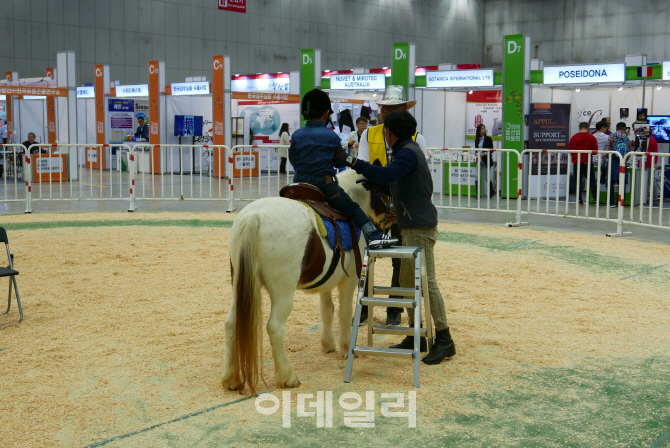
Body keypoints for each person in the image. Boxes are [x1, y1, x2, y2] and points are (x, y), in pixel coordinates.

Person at [334, 110, 455, 365]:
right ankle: (415, 333)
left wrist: (351, 161)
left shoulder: (408, 152)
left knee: (427, 282)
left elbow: (389, 174)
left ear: (390, 133)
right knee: (409, 281)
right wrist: (379, 185)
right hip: (412, 224)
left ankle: (444, 337)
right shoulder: (407, 151)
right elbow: (397, 183)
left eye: (384, 130)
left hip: (419, 226)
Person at [289, 88, 398, 250]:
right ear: (326, 114)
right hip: (324, 187)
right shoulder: (331, 136)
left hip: (298, 184)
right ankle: (373, 235)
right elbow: (339, 162)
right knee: (353, 208)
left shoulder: (297, 135)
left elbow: (293, 158)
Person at [356, 86, 425, 326]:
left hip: (400, 204)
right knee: (366, 256)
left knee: (400, 259)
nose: (387, 112)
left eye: (393, 108)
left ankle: (394, 308)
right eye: (385, 108)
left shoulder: (417, 138)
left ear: (403, 110)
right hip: (373, 202)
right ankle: (363, 305)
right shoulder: (369, 134)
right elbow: (364, 165)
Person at [568, 122, 599, 205]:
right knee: (592, 181)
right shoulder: (591, 137)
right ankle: (596, 199)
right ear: (588, 127)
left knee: (577, 182)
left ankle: (579, 200)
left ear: (579, 128)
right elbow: (595, 151)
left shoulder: (573, 138)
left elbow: (569, 150)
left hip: (577, 163)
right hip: (587, 162)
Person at [604, 122, 633, 207]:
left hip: (613, 162)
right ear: (625, 129)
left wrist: (603, 161)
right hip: (623, 162)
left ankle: (611, 202)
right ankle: (620, 202)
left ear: (616, 128)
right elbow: (629, 152)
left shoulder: (612, 136)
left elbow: (606, 149)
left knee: (610, 182)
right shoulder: (627, 139)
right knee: (622, 183)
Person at [635, 128, 660, 206]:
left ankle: (655, 198)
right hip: (641, 163)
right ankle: (643, 198)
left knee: (651, 181)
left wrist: (655, 162)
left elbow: (655, 152)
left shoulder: (652, 140)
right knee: (643, 181)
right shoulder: (639, 139)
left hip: (649, 163)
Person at [474, 123, 496, 197]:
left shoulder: (489, 139)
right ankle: (477, 194)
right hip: (479, 159)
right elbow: (476, 150)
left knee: (487, 177)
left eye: (484, 129)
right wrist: (477, 154)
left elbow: (491, 150)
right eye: (482, 129)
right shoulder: (477, 140)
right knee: (477, 176)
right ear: (479, 131)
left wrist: (485, 153)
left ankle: (491, 191)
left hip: (486, 160)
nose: (483, 130)